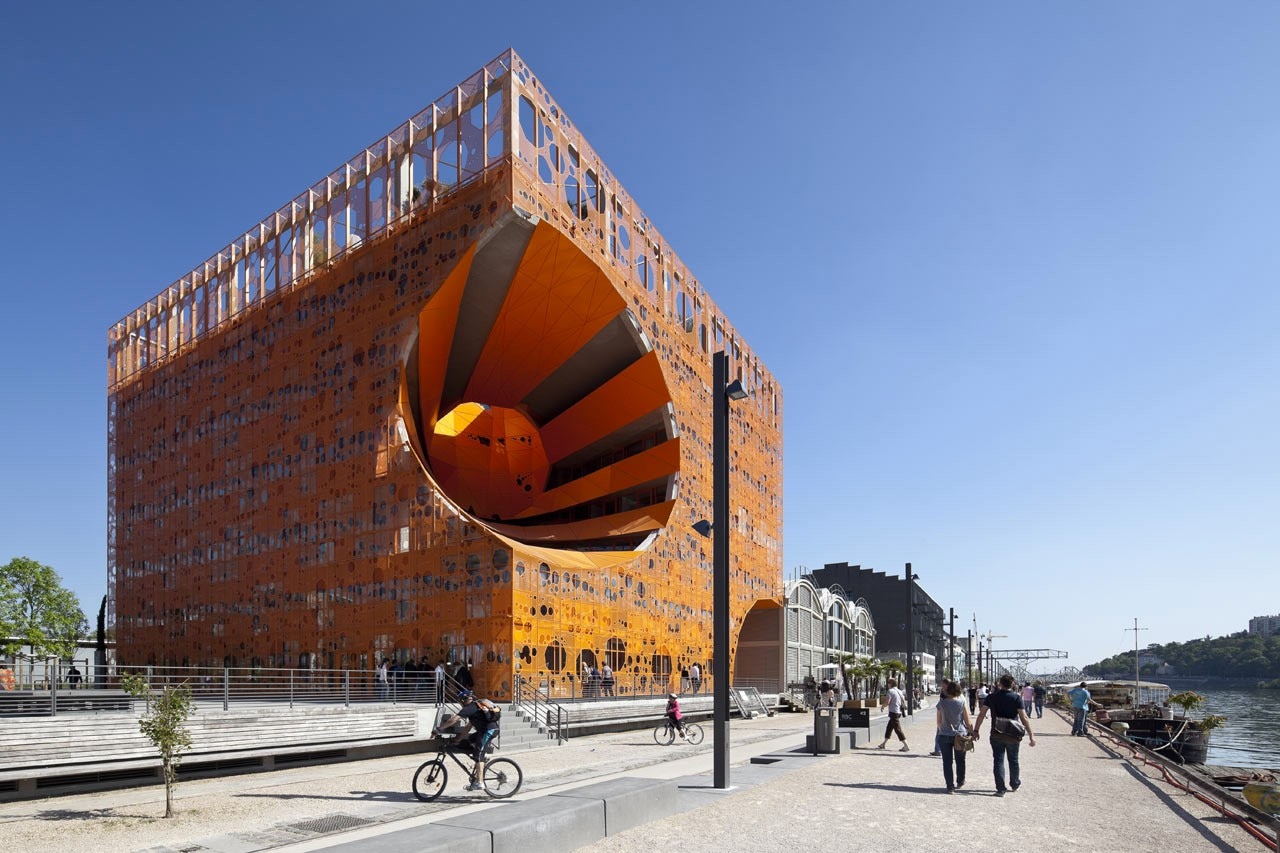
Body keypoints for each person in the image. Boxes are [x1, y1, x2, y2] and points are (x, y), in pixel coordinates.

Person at [971, 674, 1036, 795]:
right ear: (1012, 684)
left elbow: (981, 714)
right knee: (1014, 760)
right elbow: (1024, 717)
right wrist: (1031, 735)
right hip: (1012, 733)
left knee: (998, 761)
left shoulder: (991, 697)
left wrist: (976, 731)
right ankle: (1015, 784)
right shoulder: (1016, 698)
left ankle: (1000, 789)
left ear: (1000, 683)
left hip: (996, 732)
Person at [433, 689, 501, 791]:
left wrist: (439, 729)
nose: (460, 703)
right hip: (484, 731)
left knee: (478, 755)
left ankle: (480, 782)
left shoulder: (470, 708)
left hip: (489, 731)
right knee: (470, 740)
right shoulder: (475, 708)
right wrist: (458, 739)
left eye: (460, 701)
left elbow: (454, 719)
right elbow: (468, 727)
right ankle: (481, 758)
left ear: (464, 700)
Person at [935, 680, 974, 792]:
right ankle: (960, 781)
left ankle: (950, 786)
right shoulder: (961, 703)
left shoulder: (941, 704)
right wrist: (973, 732)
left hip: (944, 735)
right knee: (960, 760)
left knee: (947, 762)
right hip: (959, 735)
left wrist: (942, 728)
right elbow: (967, 721)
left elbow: (938, 721)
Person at [876, 678, 909, 751]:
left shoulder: (890, 691)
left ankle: (906, 745)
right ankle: (883, 744)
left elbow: (888, 702)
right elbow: (903, 701)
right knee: (889, 728)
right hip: (898, 712)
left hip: (893, 712)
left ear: (890, 684)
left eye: (888, 683)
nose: (887, 685)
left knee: (898, 729)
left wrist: (882, 706)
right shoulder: (899, 691)